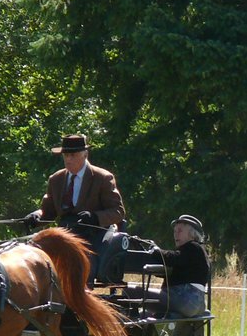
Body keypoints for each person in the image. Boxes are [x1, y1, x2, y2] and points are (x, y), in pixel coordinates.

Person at [23, 134, 126, 280]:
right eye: (65, 155)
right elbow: (48, 212)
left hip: (93, 234)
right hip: (64, 234)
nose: (68, 159)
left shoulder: (102, 178)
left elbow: (118, 211)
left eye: (73, 155)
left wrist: (94, 217)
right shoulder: (56, 179)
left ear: (85, 154)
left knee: (81, 264)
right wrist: (36, 216)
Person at [128, 214, 210, 317]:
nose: (176, 234)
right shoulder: (195, 252)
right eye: (175, 231)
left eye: (180, 231)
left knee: (130, 291)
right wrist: (148, 250)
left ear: (192, 234)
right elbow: (170, 265)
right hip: (195, 302)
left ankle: (128, 319)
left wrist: (155, 250)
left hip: (185, 299)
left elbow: (171, 258)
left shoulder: (193, 247)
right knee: (144, 315)